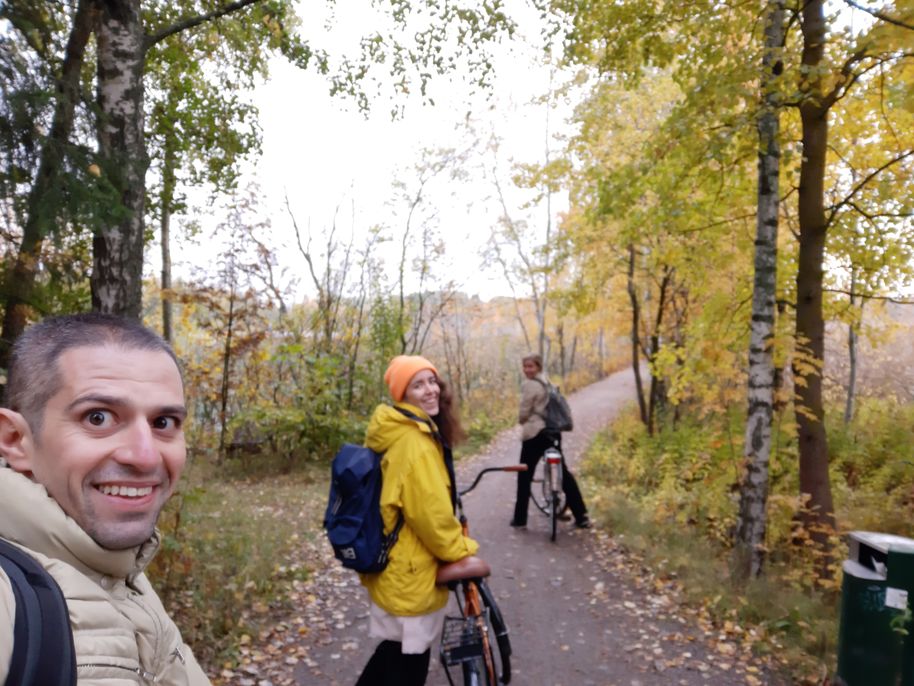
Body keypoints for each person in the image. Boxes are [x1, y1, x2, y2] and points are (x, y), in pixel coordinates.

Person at [0, 313, 210, 684]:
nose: (145, 456)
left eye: (163, 423)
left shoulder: (119, 573)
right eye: (98, 418)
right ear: (16, 440)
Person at [355, 355, 479, 686]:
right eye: (418, 385)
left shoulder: (400, 431)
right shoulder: (415, 444)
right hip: (411, 571)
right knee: (407, 665)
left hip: (396, 564)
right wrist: (463, 550)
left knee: (395, 656)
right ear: (403, 395)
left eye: (432, 381)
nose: (430, 390)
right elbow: (432, 519)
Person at [510, 353, 591, 529]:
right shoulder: (546, 381)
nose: (527, 370)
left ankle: (520, 519)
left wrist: (522, 420)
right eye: (525, 366)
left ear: (538, 367)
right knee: (564, 474)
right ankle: (581, 516)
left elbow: (524, 410)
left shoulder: (530, 384)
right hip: (552, 433)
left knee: (524, 476)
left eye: (530, 366)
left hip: (534, 434)